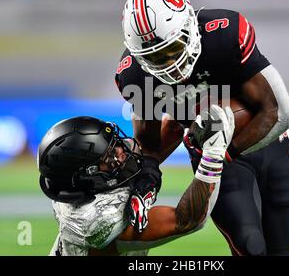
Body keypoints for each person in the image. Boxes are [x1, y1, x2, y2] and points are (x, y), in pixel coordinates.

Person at [115, 0, 289, 255]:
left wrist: (225, 149)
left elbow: (280, 113)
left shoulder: (224, 35)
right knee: (250, 246)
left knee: (282, 250)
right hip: (215, 163)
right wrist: (145, 186)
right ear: (139, 56)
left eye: (172, 48)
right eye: (155, 57)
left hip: (264, 143)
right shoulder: (134, 76)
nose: (169, 63)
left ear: (190, 23)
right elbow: (150, 149)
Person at [38, 109, 235, 256]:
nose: (121, 152)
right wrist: (212, 155)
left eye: (114, 144)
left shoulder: (82, 185)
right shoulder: (98, 220)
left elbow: (151, 152)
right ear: (87, 176)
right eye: (110, 157)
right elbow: (186, 220)